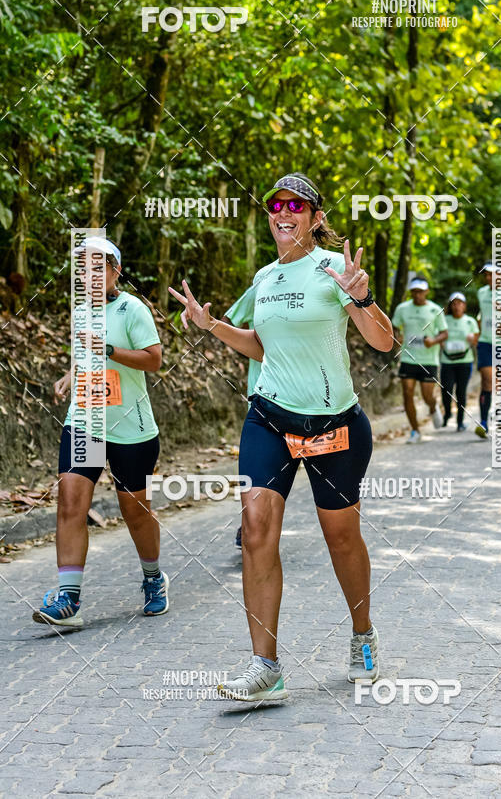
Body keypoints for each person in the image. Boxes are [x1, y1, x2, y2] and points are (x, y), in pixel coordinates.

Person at [169, 172, 394, 700]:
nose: (283, 211)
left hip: (334, 424)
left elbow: (384, 342)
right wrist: (213, 327)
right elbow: (262, 346)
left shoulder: (337, 269)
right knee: (255, 528)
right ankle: (264, 666)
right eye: (275, 204)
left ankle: (363, 635)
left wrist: (360, 299)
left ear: (316, 218)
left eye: (297, 204)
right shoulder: (265, 278)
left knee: (341, 537)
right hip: (269, 417)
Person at [34, 237, 166, 628]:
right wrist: (69, 375)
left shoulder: (133, 309)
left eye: (99, 267)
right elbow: (84, 356)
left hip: (131, 427)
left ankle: (153, 578)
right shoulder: (79, 312)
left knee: (135, 512)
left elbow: (154, 360)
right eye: (83, 269)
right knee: (71, 502)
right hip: (86, 422)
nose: (90, 275)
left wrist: (108, 350)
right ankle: (68, 599)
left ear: (115, 271)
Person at [222, 284, 260, 550]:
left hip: (309, 399)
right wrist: (249, 345)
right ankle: (250, 523)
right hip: (261, 394)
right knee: (259, 467)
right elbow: (228, 320)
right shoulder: (261, 285)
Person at [391, 277, 447, 443]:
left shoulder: (435, 310)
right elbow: (394, 326)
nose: (417, 295)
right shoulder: (402, 309)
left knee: (426, 395)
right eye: (414, 291)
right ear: (411, 292)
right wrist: (396, 336)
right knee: (407, 392)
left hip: (429, 360)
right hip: (408, 358)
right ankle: (415, 431)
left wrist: (434, 341)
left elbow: (444, 333)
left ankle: (433, 406)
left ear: (426, 292)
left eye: (420, 291)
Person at [439, 292, 478, 432]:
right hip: (447, 361)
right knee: (446, 390)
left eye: (460, 303)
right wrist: (441, 343)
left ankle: (460, 421)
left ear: (464, 306)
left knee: (461, 392)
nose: (457, 306)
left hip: (465, 361)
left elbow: (476, 341)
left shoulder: (470, 321)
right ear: (450, 306)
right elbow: (438, 335)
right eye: (454, 303)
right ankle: (447, 413)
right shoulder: (444, 320)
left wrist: (472, 338)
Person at [474, 261, 500, 439]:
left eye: (493, 274)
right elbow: (481, 315)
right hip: (485, 342)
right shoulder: (481, 292)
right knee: (487, 380)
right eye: (487, 275)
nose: (489, 278)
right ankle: (483, 422)